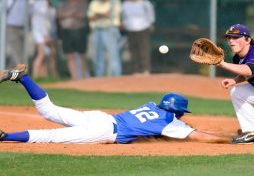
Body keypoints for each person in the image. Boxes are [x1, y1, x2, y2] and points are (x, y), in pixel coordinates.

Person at [0, 64, 228, 144]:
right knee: (50, 137)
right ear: (177, 112)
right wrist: (230, 140)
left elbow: (152, 130)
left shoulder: (151, 105)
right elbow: (200, 136)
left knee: (49, 110)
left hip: (101, 117)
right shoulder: (170, 122)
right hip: (103, 130)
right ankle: (5, 137)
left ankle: (21, 77)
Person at [87, 0, 122, 77]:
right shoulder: (94, 3)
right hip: (97, 30)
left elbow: (110, 15)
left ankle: (116, 76)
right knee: (98, 55)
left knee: (113, 54)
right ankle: (99, 77)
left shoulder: (115, 2)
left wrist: (98, 14)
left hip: (110, 29)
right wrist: (102, 14)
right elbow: (91, 18)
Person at [121, 0, 155, 75]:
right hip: (130, 29)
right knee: (133, 50)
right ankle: (135, 70)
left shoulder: (145, 3)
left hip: (143, 29)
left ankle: (145, 69)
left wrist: (149, 25)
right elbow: (123, 17)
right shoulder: (125, 4)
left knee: (143, 50)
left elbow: (150, 16)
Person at [57, 0, 89, 79]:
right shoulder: (64, 3)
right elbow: (59, 15)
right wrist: (72, 13)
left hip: (80, 31)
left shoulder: (83, 3)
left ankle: (83, 77)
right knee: (70, 55)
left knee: (81, 55)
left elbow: (82, 15)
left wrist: (67, 14)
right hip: (67, 32)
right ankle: (75, 78)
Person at [31, 0, 57, 78]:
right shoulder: (42, 4)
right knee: (42, 54)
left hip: (41, 33)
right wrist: (46, 35)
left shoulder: (39, 3)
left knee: (46, 54)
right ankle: (35, 75)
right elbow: (41, 22)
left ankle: (42, 75)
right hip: (41, 33)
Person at [5, 0, 27, 68]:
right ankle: (20, 71)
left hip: (22, 27)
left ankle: (11, 72)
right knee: (15, 51)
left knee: (20, 51)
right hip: (11, 27)